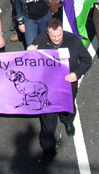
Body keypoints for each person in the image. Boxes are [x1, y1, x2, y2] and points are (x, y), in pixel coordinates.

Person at [29, 18, 92, 163]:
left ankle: (68, 120)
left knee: (68, 107)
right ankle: (48, 149)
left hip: (67, 85)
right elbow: (30, 61)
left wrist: (76, 73)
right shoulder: (40, 40)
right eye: (53, 36)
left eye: (59, 35)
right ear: (47, 33)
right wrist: (30, 51)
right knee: (47, 122)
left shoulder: (73, 41)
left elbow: (87, 60)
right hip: (48, 88)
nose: (57, 39)